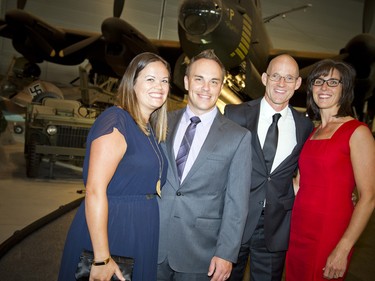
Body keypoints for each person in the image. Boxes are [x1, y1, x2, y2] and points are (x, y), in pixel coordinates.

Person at [58, 52, 170, 281]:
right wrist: (101, 258)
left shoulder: (148, 128)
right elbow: (95, 190)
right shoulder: (116, 121)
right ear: (132, 83)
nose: (159, 86)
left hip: (140, 228)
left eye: (165, 80)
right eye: (150, 79)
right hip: (114, 227)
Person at [157, 49, 252, 281]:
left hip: (201, 253)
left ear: (221, 87)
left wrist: (227, 253)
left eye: (214, 81)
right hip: (154, 241)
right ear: (187, 82)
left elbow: (237, 202)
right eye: (199, 79)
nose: (206, 88)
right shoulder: (160, 122)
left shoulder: (237, 137)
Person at [224, 54, 314, 281]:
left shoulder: (304, 125)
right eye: (276, 76)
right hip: (235, 220)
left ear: (297, 83)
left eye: (289, 78)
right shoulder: (235, 114)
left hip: (276, 226)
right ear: (264, 78)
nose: (281, 84)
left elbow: (305, 172)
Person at [285, 59, 375, 280]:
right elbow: (299, 184)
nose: (324, 88)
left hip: (330, 231)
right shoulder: (312, 132)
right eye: (319, 81)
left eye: (333, 82)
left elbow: (368, 197)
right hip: (298, 228)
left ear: (344, 89)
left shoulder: (357, 132)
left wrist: (343, 248)